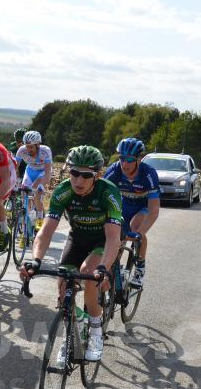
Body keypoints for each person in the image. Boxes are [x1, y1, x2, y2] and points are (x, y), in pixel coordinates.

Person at [19, 145, 122, 362]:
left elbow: (114, 237)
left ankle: (95, 329)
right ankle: (72, 334)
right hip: (78, 238)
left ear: (97, 176)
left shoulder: (108, 192)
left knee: (88, 272)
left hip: (102, 240)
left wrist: (104, 267)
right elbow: (46, 231)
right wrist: (35, 260)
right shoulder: (63, 191)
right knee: (64, 282)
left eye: (86, 175)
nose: (79, 180)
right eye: (75, 173)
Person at [103, 137, 159, 287]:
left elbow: (154, 210)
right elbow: (101, 196)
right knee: (117, 235)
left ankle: (140, 268)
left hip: (143, 207)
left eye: (129, 159)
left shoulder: (148, 174)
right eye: (122, 158)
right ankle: (115, 267)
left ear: (138, 160)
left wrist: (140, 233)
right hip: (124, 205)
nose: (125, 164)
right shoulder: (114, 171)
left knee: (135, 229)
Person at [15, 130, 53, 233]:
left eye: (31, 147)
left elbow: (48, 172)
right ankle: (26, 220)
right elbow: (14, 167)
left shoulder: (45, 151)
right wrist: (14, 181)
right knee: (24, 193)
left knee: (37, 189)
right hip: (30, 171)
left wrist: (41, 185)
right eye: (27, 146)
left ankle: (40, 219)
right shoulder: (21, 150)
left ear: (38, 145)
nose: (28, 149)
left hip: (43, 172)